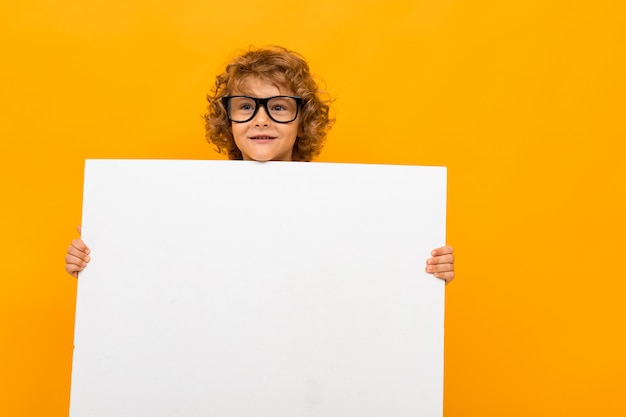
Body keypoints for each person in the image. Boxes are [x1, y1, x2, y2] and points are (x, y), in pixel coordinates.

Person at [65, 45, 455, 283]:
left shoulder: (345, 205)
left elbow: (364, 274)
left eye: (280, 107)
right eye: (247, 107)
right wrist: (102, 254)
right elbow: (164, 274)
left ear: (303, 120)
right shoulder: (189, 204)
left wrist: (425, 270)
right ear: (228, 119)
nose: (261, 119)